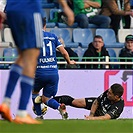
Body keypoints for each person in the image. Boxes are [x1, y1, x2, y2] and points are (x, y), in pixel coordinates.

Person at [0, 0, 74, 124]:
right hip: (30, 10)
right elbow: (64, 52)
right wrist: (65, 7)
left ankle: (6, 102)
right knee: (31, 59)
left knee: (22, 57)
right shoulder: (51, 35)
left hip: (11, 11)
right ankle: (21, 112)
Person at [32, 18, 76, 120]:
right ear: (45, 25)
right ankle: (59, 107)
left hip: (40, 72)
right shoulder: (53, 37)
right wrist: (69, 62)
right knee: (46, 98)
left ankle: (39, 115)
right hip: (53, 73)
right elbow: (64, 52)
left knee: (35, 93)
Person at [51, 83, 124, 120]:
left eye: (110, 93)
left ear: (116, 97)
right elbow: (96, 102)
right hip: (98, 106)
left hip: (102, 115)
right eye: (108, 91)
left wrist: (92, 119)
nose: (107, 93)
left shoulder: (118, 106)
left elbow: (106, 117)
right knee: (74, 102)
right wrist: (91, 115)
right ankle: (50, 100)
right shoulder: (108, 93)